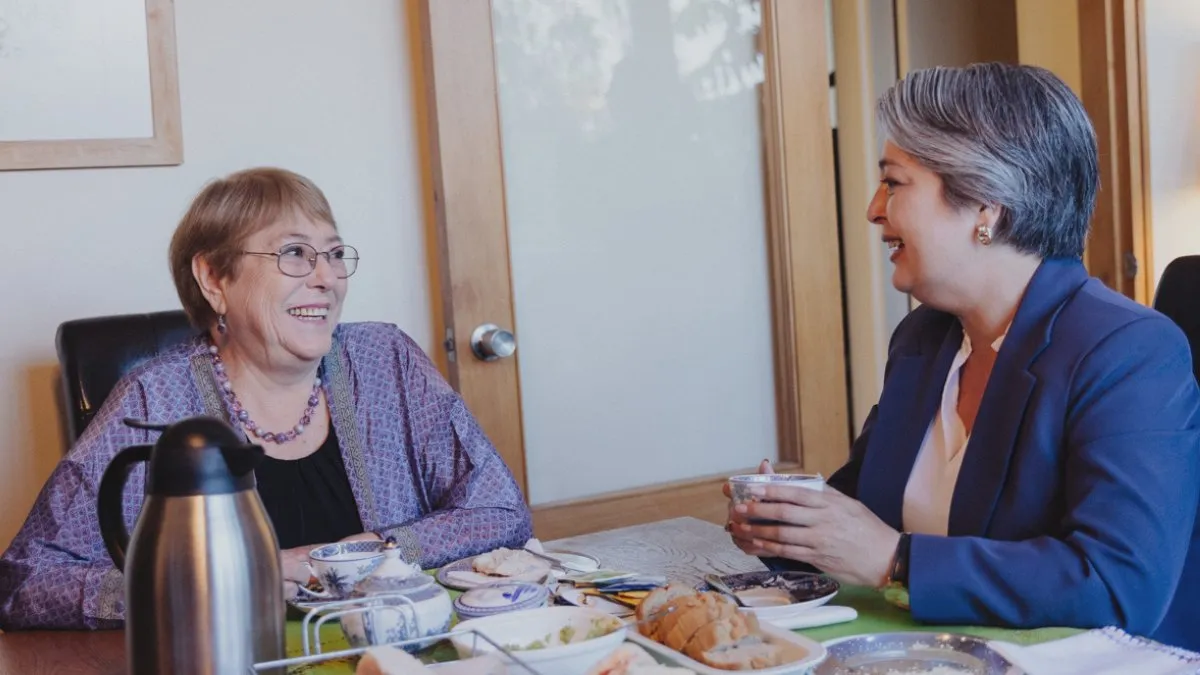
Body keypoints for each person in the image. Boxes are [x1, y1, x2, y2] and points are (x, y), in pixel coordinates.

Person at [727, 63, 1200, 649]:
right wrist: (789, 525)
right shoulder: (923, 339)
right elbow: (862, 512)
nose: (875, 209)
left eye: (894, 183)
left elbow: (1120, 584)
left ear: (985, 207)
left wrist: (895, 561)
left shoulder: (1130, 351)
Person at [0, 168, 533, 630]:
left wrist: (362, 554)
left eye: (333, 253)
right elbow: (25, 582)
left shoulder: (385, 360)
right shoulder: (153, 399)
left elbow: (501, 510)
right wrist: (227, 579)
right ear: (213, 277)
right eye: (295, 253)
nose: (327, 278)